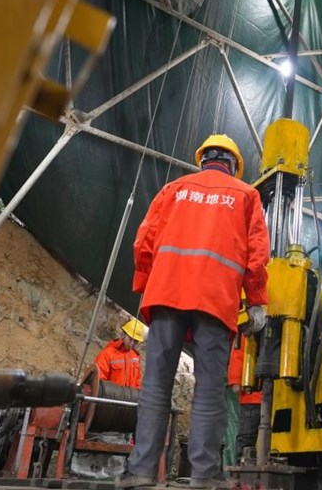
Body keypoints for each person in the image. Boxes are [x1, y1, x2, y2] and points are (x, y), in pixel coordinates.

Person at [117, 134, 270, 490]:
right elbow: (257, 253)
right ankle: (204, 475)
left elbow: (144, 242)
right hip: (215, 300)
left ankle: (140, 471)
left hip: (166, 294)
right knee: (208, 389)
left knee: (155, 384)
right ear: (233, 165)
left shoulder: (173, 190)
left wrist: (146, 285)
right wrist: (257, 300)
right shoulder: (246, 196)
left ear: (203, 159)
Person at [227, 329, 261, 464]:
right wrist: (236, 378)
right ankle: (242, 468)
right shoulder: (251, 322)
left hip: (266, 395)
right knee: (247, 436)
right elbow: (239, 349)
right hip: (252, 395)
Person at [94, 318, 147, 389]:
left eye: (136, 341)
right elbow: (98, 381)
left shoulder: (135, 357)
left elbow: (137, 382)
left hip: (128, 399)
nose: (132, 343)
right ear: (123, 335)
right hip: (110, 398)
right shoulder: (107, 354)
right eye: (131, 339)